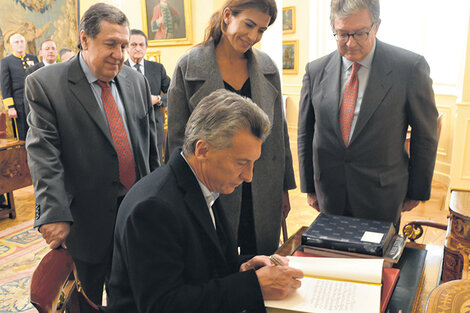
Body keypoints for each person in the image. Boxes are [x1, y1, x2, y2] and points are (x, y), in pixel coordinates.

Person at [107, 89, 303, 313]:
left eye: (252, 163)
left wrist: (243, 267)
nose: (249, 176)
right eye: (241, 163)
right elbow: (164, 306)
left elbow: (205, 264)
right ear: (203, 150)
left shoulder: (200, 182)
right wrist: (253, 285)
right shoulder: (154, 209)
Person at [25, 3, 159, 304]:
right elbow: (44, 155)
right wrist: (53, 212)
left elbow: (150, 150)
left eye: (123, 45)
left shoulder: (137, 82)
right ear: (85, 40)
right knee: (85, 302)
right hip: (84, 222)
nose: (119, 54)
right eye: (111, 44)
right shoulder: (46, 85)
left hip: (135, 216)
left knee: (134, 298)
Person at [166, 0, 296, 256]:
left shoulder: (268, 68)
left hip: (261, 186)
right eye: (248, 24)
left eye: (261, 30)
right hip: (212, 188)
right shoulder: (188, 67)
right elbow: (177, 143)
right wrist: (182, 198)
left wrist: (283, 188)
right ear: (227, 15)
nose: (253, 36)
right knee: (213, 263)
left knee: (260, 262)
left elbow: (279, 137)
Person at [297, 0, 439, 226]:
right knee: (330, 257)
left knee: (379, 259)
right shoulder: (315, 71)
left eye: (360, 33)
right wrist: (310, 187)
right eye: (342, 34)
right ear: (333, 27)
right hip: (330, 192)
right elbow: (306, 133)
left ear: (377, 25)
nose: (350, 43)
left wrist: (417, 191)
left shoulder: (409, 68)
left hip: (381, 195)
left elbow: (425, 135)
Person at [125, 29, 170, 163]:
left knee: (156, 164)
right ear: (127, 47)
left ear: (146, 47)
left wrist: (158, 99)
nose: (137, 48)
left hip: (155, 126)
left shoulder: (157, 68)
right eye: (133, 45)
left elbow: (173, 92)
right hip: (130, 126)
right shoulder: (119, 69)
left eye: (141, 45)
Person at [1, 33, 38, 140]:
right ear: (11, 45)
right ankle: (24, 156)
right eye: (16, 42)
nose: (20, 44)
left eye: (22, 41)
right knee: (22, 134)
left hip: (34, 101)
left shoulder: (33, 58)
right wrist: (10, 107)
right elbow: (5, 86)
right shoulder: (6, 61)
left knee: (37, 130)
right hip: (18, 104)